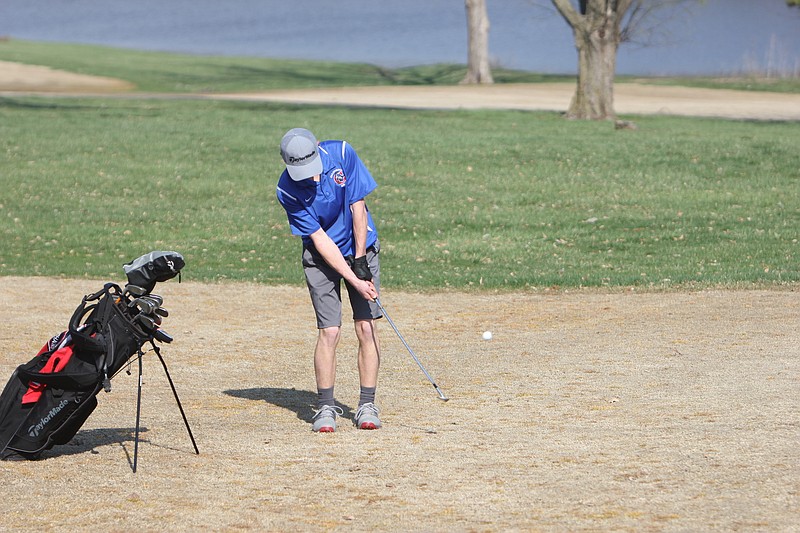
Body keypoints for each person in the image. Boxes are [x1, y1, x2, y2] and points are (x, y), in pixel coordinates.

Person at [275, 127, 383, 433]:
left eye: (313, 169)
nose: (312, 178)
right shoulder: (286, 190)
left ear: (318, 149)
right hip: (321, 259)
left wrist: (361, 260)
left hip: (361, 245)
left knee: (366, 326)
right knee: (330, 330)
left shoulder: (343, 153)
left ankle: (367, 403)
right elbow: (320, 240)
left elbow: (357, 207)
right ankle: (325, 407)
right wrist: (353, 277)